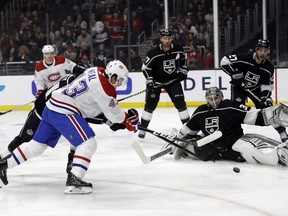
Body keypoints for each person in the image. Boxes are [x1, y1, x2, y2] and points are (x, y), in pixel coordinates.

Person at [0, 60, 139, 194]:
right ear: (113, 77)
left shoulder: (96, 71)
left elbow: (92, 107)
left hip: (52, 106)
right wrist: (129, 122)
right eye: (119, 80)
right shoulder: (105, 89)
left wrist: (116, 118)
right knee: (88, 142)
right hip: (63, 110)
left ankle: (3, 165)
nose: (119, 84)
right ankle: (74, 180)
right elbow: (115, 116)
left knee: (36, 146)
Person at [173, 87, 288, 167]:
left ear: (221, 97)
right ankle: (185, 149)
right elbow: (188, 129)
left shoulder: (230, 106)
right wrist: (177, 140)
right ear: (206, 99)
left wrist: (273, 114)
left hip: (234, 142)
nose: (214, 101)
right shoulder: (200, 111)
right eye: (210, 98)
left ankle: (279, 154)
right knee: (199, 151)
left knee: (249, 152)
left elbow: (252, 115)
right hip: (214, 148)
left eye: (216, 97)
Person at [220, 39, 288, 142]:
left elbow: (267, 86)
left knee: (268, 110)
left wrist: (265, 97)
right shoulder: (244, 58)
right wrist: (234, 73)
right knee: (236, 110)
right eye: (260, 50)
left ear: (268, 52)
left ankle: (282, 132)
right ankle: (233, 135)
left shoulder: (268, 68)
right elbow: (224, 61)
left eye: (265, 51)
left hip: (256, 90)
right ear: (256, 50)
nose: (262, 53)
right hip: (239, 87)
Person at [138, 29, 190, 139]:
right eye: (164, 38)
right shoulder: (153, 52)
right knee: (150, 105)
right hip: (156, 82)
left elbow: (183, 61)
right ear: (161, 39)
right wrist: (150, 80)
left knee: (180, 103)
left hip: (172, 80)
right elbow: (145, 68)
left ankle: (188, 129)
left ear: (172, 38)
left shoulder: (178, 49)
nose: (167, 40)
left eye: (169, 38)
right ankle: (142, 129)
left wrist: (183, 71)